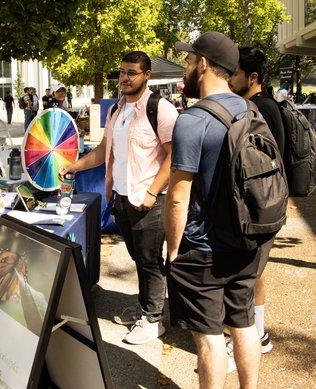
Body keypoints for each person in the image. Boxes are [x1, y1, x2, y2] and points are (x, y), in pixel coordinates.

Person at [165, 31, 264, 388]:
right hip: (247, 240)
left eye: (189, 61)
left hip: (204, 248)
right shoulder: (250, 110)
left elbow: (178, 196)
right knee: (244, 322)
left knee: (208, 337)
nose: (186, 68)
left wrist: (174, 249)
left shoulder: (192, 120)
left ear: (203, 64)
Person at [60, 51, 178, 344]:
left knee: (149, 260)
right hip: (123, 199)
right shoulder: (116, 110)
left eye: (131, 73)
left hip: (150, 200)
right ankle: (145, 307)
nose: (124, 78)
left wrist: (152, 193)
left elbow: (175, 157)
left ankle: (153, 320)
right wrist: (75, 165)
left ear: (146, 75)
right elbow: (103, 151)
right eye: (122, 72)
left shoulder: (160, 108)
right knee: (138, 258)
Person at [226, 46, 282, 370]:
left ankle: (245, 342)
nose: (230, 80)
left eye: (234, 74)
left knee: (243, 280)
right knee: (256, 274)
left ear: (253, 77)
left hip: (258, 210)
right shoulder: (271, 106)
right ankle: (259, 334)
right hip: (271, 206)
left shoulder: (252, 111)